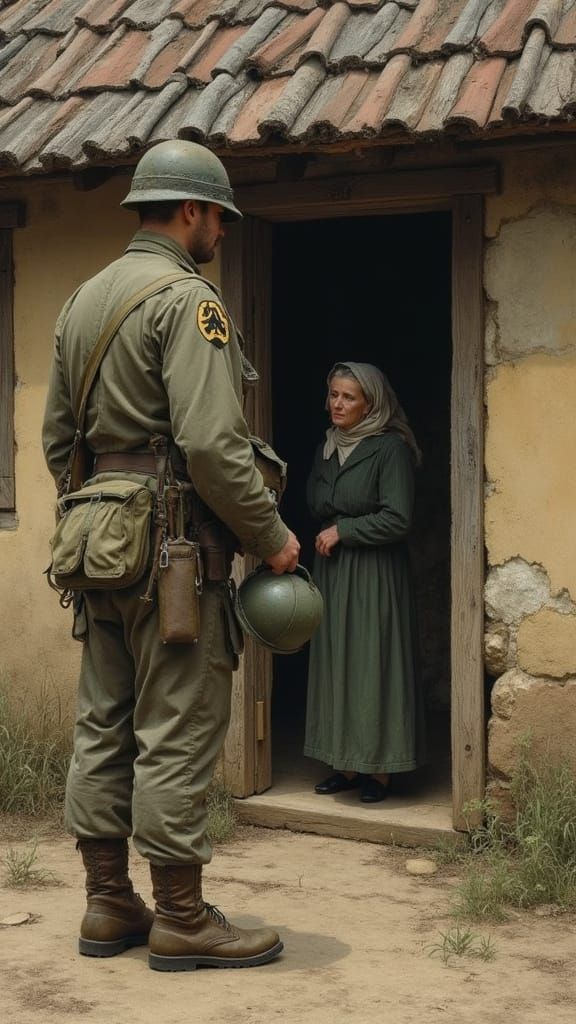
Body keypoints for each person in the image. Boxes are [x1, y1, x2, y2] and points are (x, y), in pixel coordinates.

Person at [42, 140, 300, 972]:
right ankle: (182, 916)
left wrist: (103, 515)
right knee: (178, 728)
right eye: (218, 217)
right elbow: (215, 448)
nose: (222, 232)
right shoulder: (190, 303)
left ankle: (108, 903)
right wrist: (271, 538)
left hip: (97, 547)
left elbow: (57, 444)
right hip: (175, 552)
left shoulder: (81, 301)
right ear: (189, 211)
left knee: (103, 725)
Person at [304, 362, 425, 803]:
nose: (337, 404)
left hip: (374, 573)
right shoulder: (326, 447)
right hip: (332, 572)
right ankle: (346, 763)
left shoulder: (389, 449)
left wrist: (345, 530)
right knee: (337, 663)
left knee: (374, 665)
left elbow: (398, 517)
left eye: (348, 397)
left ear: (370, 403)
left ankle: (381, 771)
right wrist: (332, 527)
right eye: (333, 394)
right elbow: (317, 500)